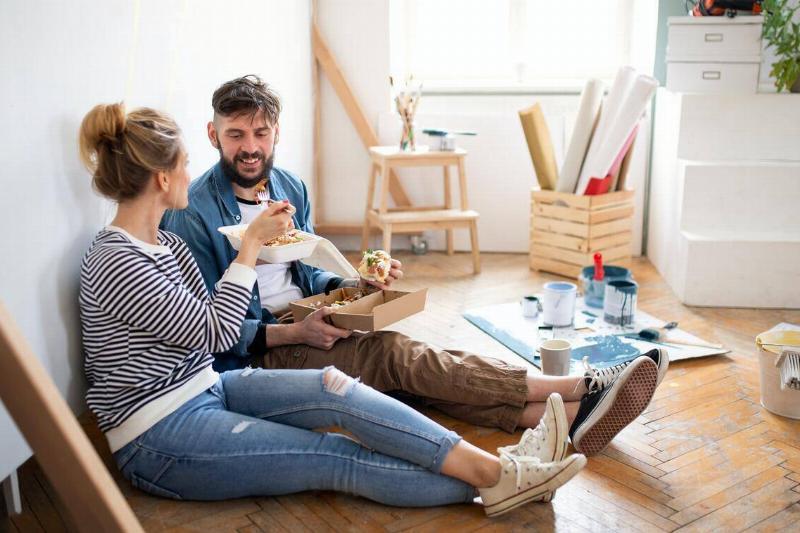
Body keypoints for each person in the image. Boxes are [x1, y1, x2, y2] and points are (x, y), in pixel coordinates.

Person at [77, 102, 595, 516]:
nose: (191, 171)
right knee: (334, 457)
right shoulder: (116, 260)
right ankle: (499, 479)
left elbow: (218, 316)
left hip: (206, 387)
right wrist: (251, 248)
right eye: (184, 162)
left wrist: (348, 285)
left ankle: (503, 468)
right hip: (158, 434)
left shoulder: (162, 246)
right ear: (163, 179)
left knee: (337, 387)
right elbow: (217, 331)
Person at [160, 75, 669, 448]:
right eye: (236, 135)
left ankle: (558, 419)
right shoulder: (195, 213)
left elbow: (307, 267)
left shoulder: (290, 187)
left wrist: (353, 284)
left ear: (276, 132)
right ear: (212, 135)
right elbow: (213, 329)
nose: (251, 149)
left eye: (262, 133)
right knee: (395, 357)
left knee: (410, 378)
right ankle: (582, 386)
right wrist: (296, 333)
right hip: (260, 354)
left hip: (313, 319)